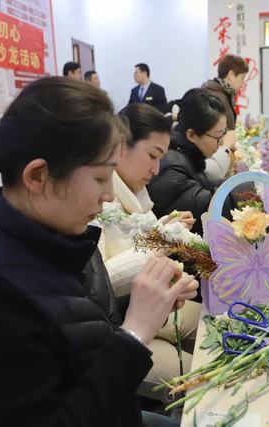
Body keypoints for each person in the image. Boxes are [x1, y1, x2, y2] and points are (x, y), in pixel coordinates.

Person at [0, 77, 197, 427]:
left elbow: (84, 331)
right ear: (38, 176)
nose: (108, 196)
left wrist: (151, 304)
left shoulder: (60, 235)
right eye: (100, 179)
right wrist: (134, 333)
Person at [98, 103, 201, 386]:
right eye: (152, 156)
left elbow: (140, 236)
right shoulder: (98, 196)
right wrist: (161, 240)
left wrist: (166, 226)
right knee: (199, 377)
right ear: (121, 147)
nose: (156, 170)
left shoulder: (136, 192)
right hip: (120, 322)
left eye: (160, 159)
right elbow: (99, 282)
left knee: (216, 323)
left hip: (152, 308)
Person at [148, 89, 236, 236]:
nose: (221, 143)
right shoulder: (171, 168)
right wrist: (246, 189)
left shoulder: (187, 155)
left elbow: (204, 185)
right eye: (218, 137)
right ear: (192, 135)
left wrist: (239, 181)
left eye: (223, 135)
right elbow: (206, 211)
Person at [201, 54, 249, 181]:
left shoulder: (222, 93)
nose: (242, 83)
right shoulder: (216, 95)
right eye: (242, 78)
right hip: (214, 161)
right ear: (231, 75)